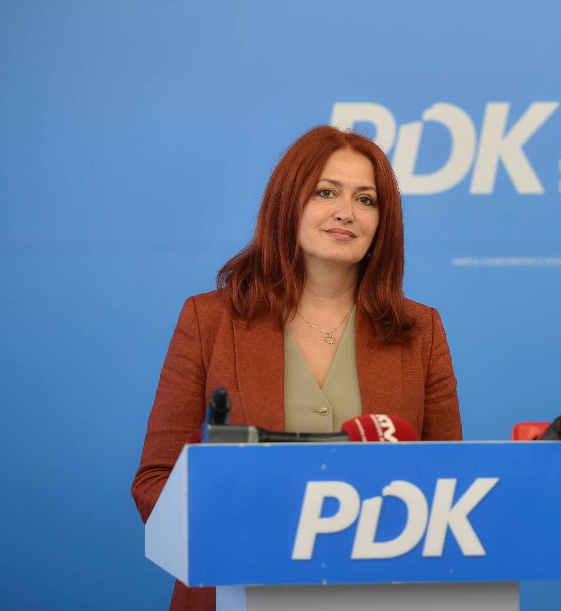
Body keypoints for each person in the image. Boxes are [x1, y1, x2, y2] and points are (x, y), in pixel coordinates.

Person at [131, 126, 463, 610]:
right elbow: (156, 480)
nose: (346, 212)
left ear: (382, 223)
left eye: (366, 200)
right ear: (288, 203)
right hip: (237, 587)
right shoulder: (209, 320)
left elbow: (449, 485)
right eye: (326, 192)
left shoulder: (421, 330)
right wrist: (244, 537)